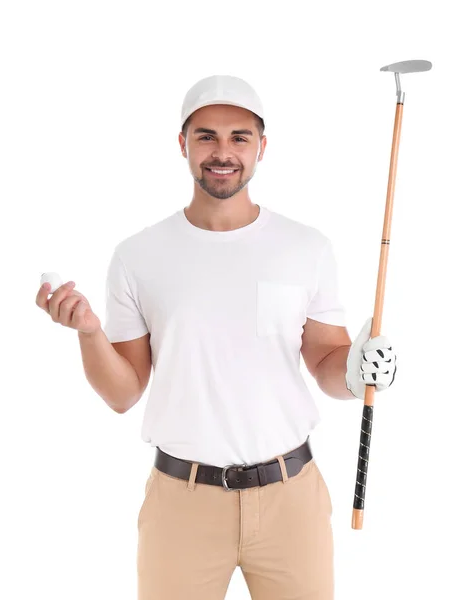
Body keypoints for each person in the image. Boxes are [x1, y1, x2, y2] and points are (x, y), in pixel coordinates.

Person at [36, 75, 397, 600]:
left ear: (262, 148)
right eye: (206, 136)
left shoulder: (306, 248)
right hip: (181, 505)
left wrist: (358, 369)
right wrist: (90, 334)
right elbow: (122, 393)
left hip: (290, 499)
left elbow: (326, 363)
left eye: (239, 137)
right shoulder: (138, 256)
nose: (222, 152)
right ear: (182, 145)